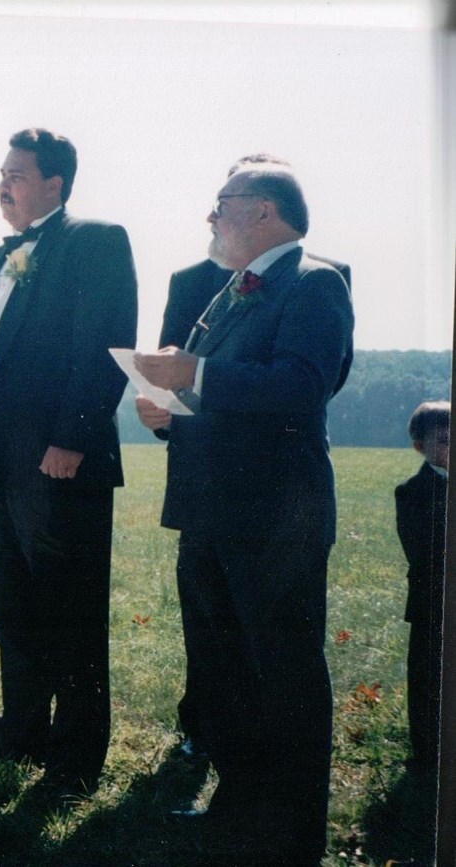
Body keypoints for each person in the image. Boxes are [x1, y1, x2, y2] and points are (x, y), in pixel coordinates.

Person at [134, 163, 353, 863]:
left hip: (275, 517)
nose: (210, 216)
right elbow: (221, 393)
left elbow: (300, 386)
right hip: (210, 513)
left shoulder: (315, 283)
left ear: (264, 211)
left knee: (282, 673)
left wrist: (193, 374)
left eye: (221, 204)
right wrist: (169, 411)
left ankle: (290, 836)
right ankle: (238, 814)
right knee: (224, 670)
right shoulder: (230, 289)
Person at [0, 128, 137, 795]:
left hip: (57, 463)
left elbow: (106, 344)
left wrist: (72, 439)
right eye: (1, 173)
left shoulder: (96, 241)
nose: (3, 184)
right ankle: (21, 735)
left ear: (54, 183)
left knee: (71, 616)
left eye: (16, 174)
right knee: (11, 608)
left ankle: (75, 761)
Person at [395, 400, 448, 773]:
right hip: (433, 599)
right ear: (420, 447)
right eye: (444, 441)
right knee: (428, 678)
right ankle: (428, 753)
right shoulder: (412, 491)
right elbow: (420, 550)